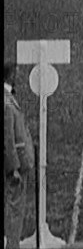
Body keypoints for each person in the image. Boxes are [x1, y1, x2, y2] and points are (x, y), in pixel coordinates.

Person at [4, 63, 35, 249]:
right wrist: (13, 168)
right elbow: (7, 138)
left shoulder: (8, 98)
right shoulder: (7, 102)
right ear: (10, 75)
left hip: (16, 165)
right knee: (15, 210)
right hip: (14, 169)